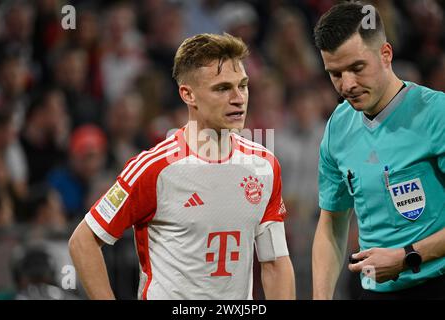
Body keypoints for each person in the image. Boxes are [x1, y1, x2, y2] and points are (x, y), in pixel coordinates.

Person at [69, 33, 295, 300]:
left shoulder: (264, 166)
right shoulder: (153, 168)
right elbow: (83, 241)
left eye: (242, 85)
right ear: (188, 94)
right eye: (222, 88)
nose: (238, 98)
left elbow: (275, 262)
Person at [312, 2, 444, 300]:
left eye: (357, 68)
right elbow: (332, 223)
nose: (347, 85)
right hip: (374, 291)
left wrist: (408, 256)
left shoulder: (436, 113)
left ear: (386, 54)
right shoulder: (337, 127)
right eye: (335, 74)